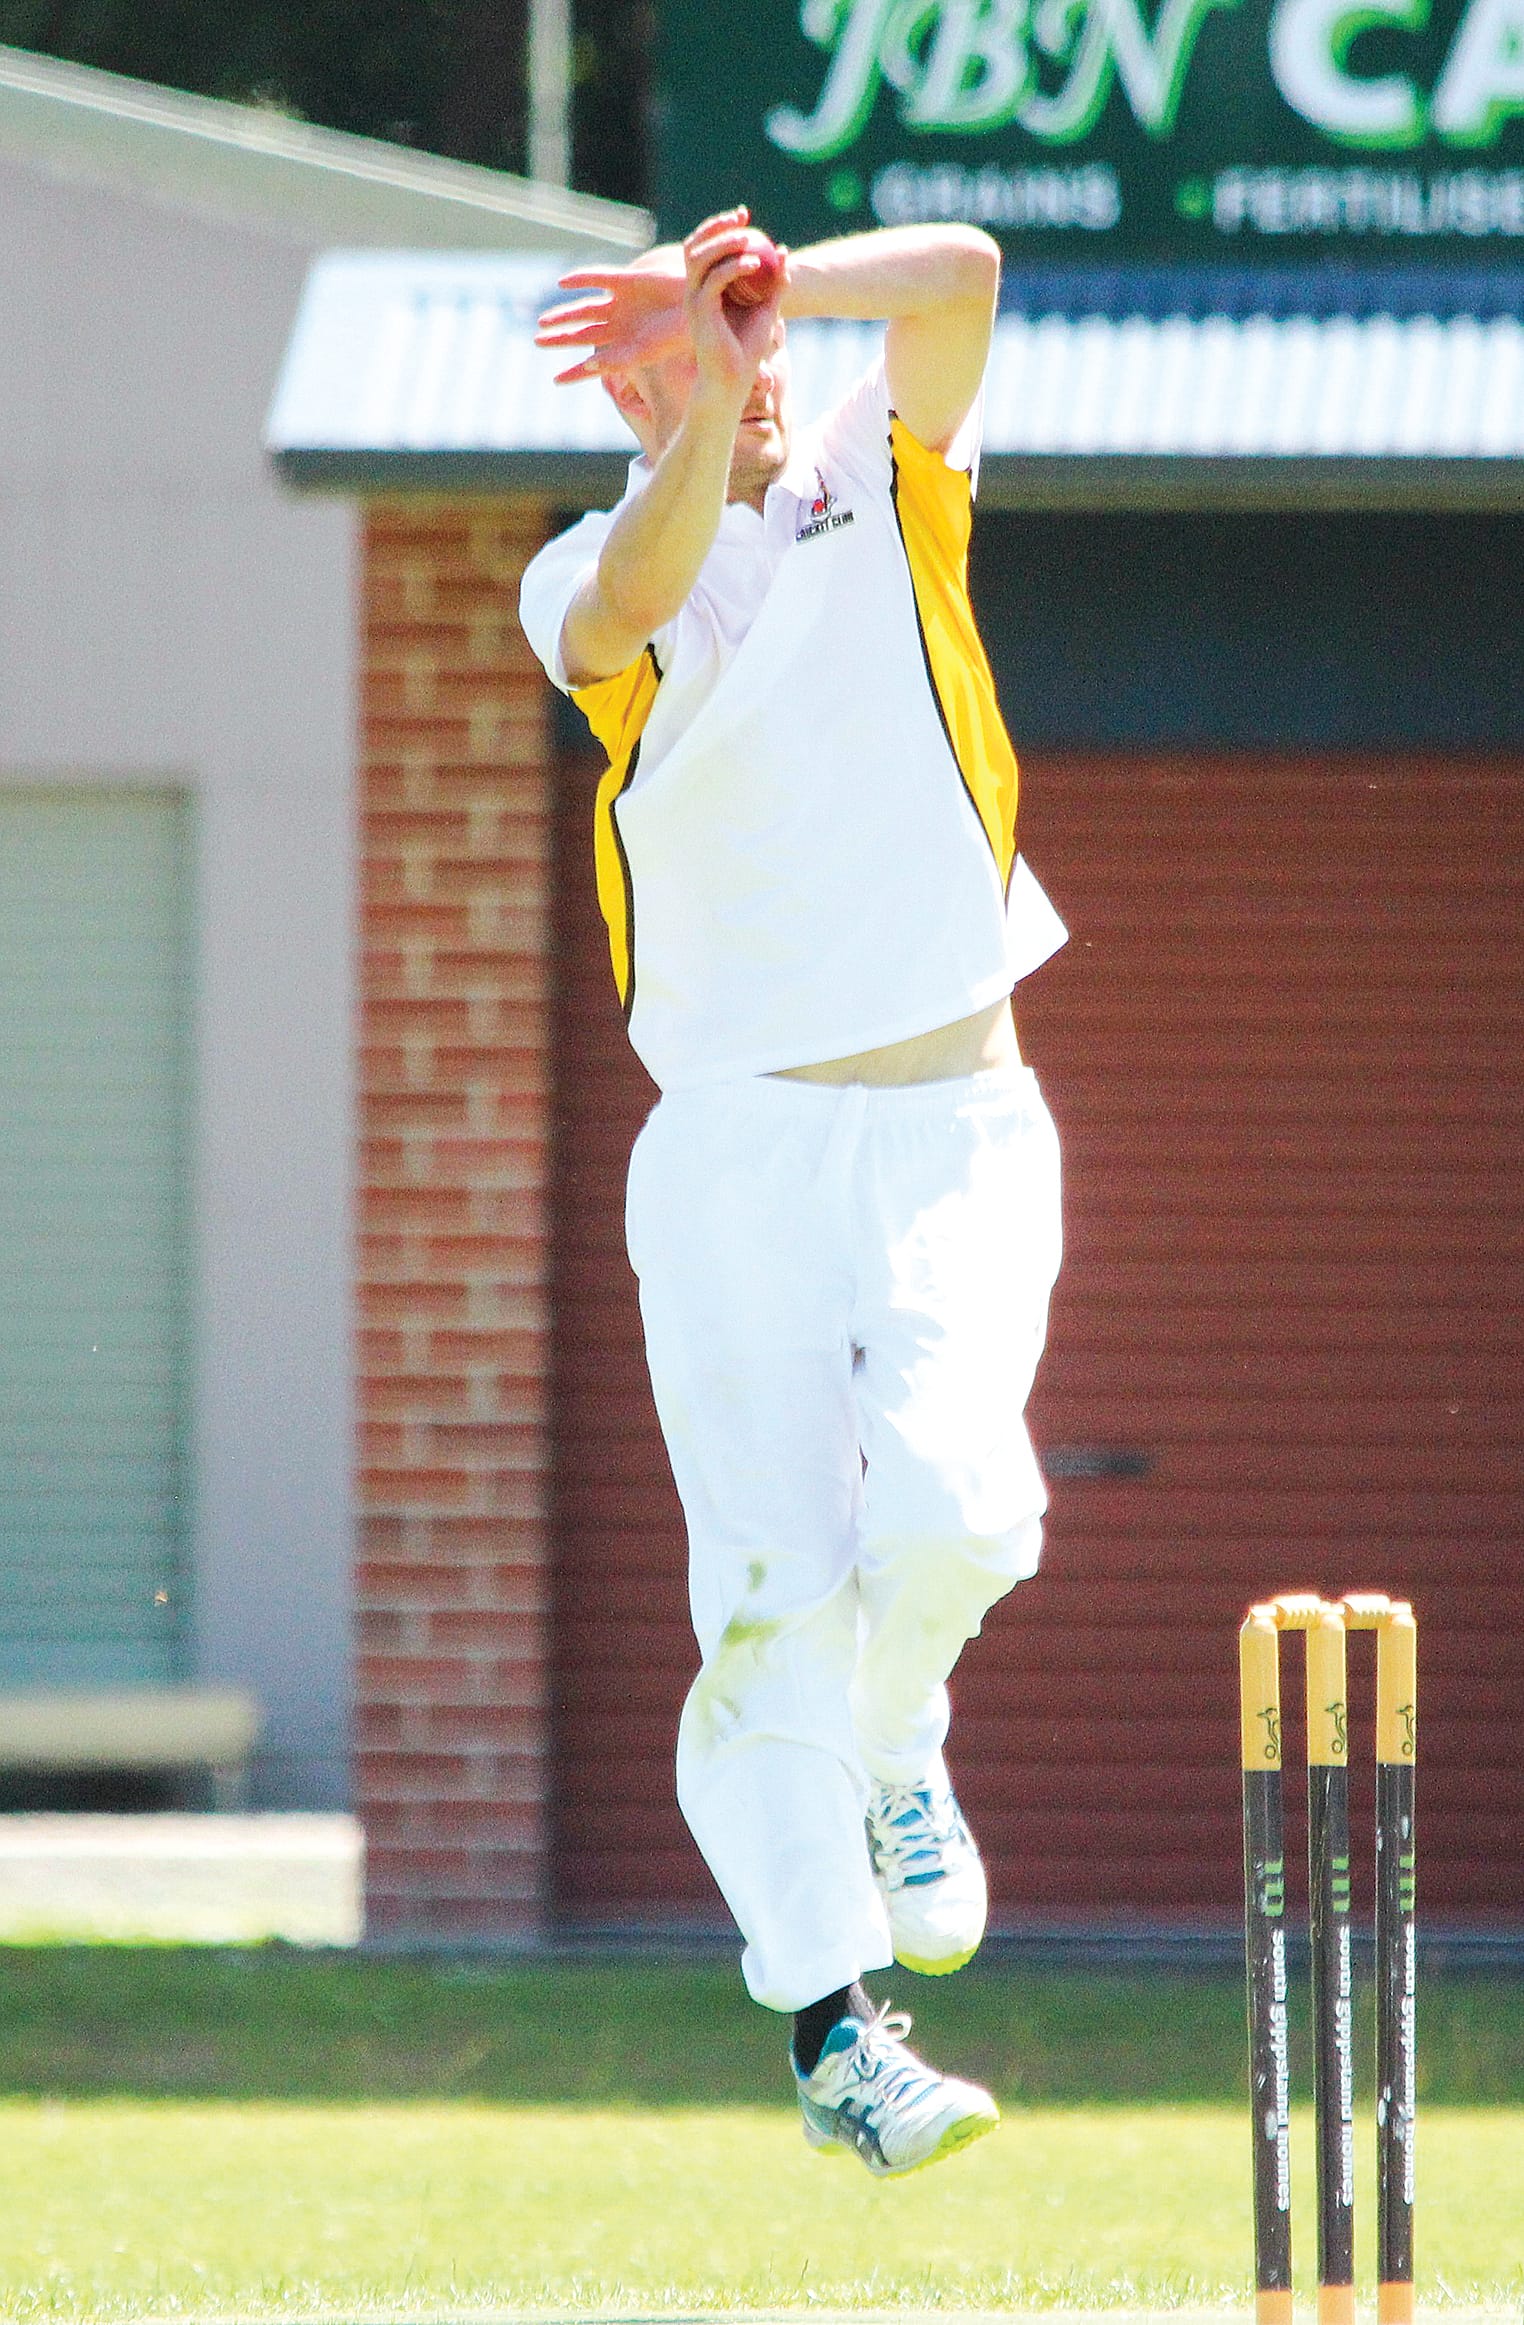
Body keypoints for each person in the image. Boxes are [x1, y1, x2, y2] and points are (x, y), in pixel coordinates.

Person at [519, 208, 1065, 2177]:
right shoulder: (594, 577)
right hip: (739, 1148)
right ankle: (838, 2030)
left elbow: (971, 271)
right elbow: (634, 591)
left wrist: (767, 302)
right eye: (653, 371)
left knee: (962, 1511)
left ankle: (902, 1730)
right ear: (624, 405)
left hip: (956, 1121)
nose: (716, 391)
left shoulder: (879, 467)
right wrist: (688, 421)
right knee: (766, 1596)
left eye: (718, 359)